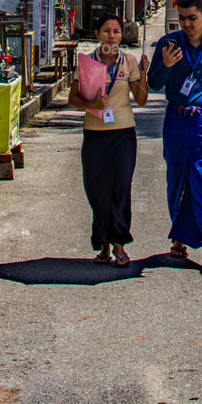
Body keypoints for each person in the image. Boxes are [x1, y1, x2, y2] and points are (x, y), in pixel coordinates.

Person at [148, 0, 202, 272]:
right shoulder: (168, 44)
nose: (186, 24)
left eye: (192, 18)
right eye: (181, 18)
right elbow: (154, 83)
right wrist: (166, 66)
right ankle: (179, 236)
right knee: (178, 179)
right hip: (176, 120)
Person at [68, 14, 148, 267]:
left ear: (121, 35)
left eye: (116, 31)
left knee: (121, 188)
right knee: (96, 189)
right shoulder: (87, 63)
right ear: (97, 34)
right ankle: (102, 241)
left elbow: (142, 99)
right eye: (106, 31)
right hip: (94, 134)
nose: (111, 36)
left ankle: (118, 243)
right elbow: (73, 99)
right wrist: (91, 104)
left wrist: (143, 74)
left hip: (123, 134)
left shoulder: (130, 61)